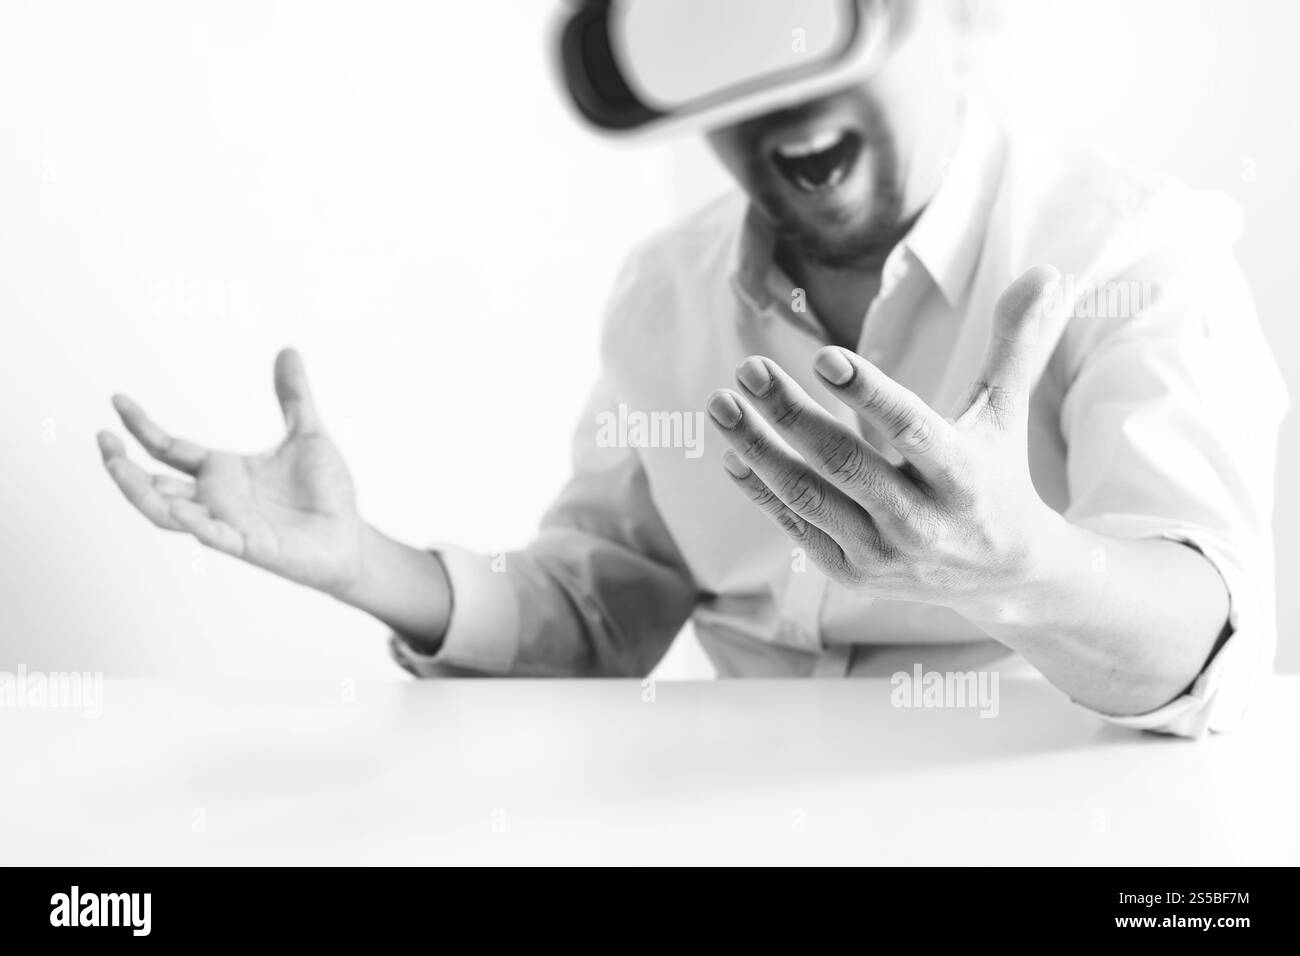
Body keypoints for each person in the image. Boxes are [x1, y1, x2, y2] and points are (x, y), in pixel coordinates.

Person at [98, 0, 1286, 736]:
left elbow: (1207, 644)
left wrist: (1018, 567)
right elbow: (600, 604)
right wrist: (370, 563)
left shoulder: (1129, 253)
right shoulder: (663, 294)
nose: (773, 91)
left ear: (955, 19)